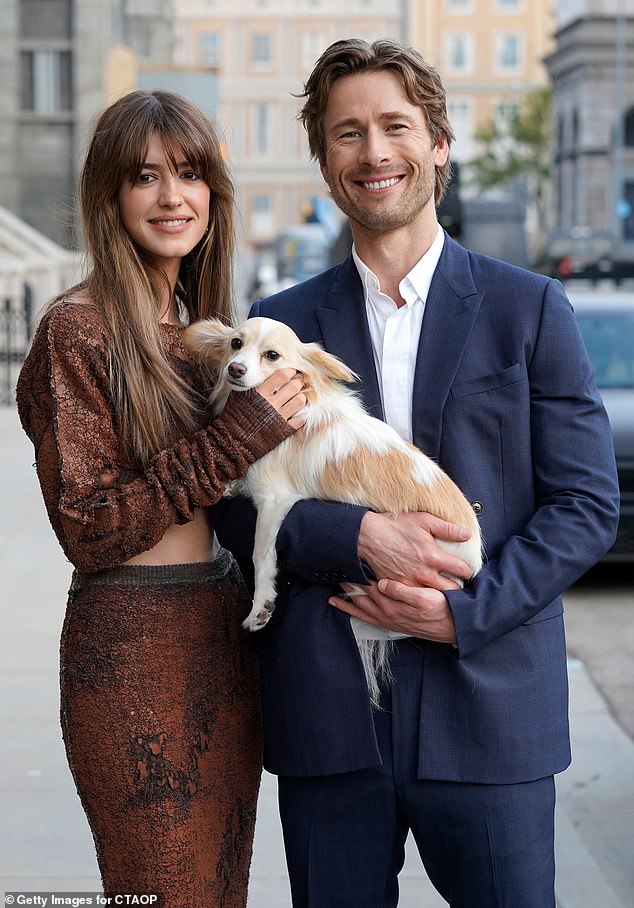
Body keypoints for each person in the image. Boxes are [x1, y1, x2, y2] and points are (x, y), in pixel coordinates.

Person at [212, 38, 620, 907]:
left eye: (395, 126)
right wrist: (357, 534)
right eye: (347, 133)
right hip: (328, 716)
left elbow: (585, 504)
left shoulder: (529, 307)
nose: (374, 152)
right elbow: (235, 509)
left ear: (438, 142)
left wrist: (460, 613)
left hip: (491, 711)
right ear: (324, 161)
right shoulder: (278, 326)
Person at [15, 89, 306, 907]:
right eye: (145, 177)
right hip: (133, 646)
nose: (172, 197)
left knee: (220, 889)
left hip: (220, 631)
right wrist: (237, 435)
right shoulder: (77, 329)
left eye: (190, 174)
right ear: (110, 196)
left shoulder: (195, 325)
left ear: (215, 191)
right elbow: (90, 526)